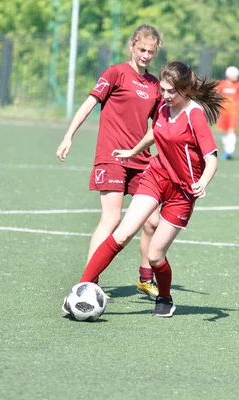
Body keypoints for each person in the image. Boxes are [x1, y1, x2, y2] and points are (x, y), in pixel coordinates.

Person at [66, 61, 223, 318]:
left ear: (185, 90)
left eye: (171, 91)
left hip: (182, 192)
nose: (165, 96)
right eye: (162, 90)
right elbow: (154, 133)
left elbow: (212, 158)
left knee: (155, 255)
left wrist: (202, 182)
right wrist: (133, 151)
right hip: (156, 175)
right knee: (122, 233)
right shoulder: (164, 106)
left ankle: (165, 298)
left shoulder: (194, 115)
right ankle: (81, 287)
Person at [56, 24, 163, 300]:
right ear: (132, 45)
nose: (145, 55)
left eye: (151, 51)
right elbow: (89, 103)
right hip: (112, 156)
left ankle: (144, 279)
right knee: (112, 218)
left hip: (141, 161)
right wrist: (69, 135)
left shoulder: (154, 85)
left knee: (152, 221)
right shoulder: (115, 73)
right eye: (142, 49)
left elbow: (159, 126)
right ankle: (88, 282)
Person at [216, 66, 239, 159]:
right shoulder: (221, 84)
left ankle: (229, 150)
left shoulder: (238, 85)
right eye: (235, 74)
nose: (237, 76)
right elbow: (216, 96)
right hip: (223, 112)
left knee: (231, 130)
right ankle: (226, 150)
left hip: (233, 112)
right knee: (224, 131)